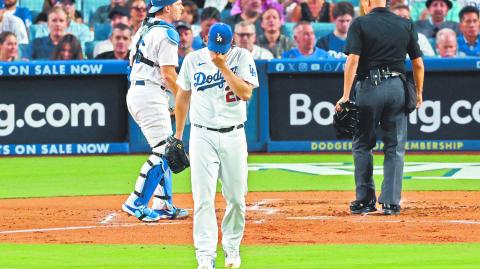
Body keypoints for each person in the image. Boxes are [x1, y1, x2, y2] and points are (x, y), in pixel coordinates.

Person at [175, 22, 258, 269]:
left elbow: (245, 93)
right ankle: (205, 256)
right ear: (205, 39)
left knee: (236, 198)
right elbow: (182, 97)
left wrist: (223, 67)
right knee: (202, 199)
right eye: (213, 46)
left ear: (231, 42)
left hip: (234, 134)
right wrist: (178, 135)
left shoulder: (242, 57)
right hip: (202, 135)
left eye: (221, 47)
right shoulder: (193, 60)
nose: (216, 51)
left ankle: (232, 249)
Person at [335, 0, 424, 215]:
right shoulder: (406, 24)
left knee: (363, 144)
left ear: (366, 3)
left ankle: (365, 200)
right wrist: (419, 92)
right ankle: (391, 202)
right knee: (395, 146)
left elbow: (352, 60)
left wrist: (345, 96)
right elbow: (418, 63)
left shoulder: (360, 23)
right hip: (397, 88)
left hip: (369, 87)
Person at [122, 0, 188, 222]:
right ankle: (136, 202)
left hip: (142, 90)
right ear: (167, 7)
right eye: (178, 3)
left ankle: (163, 203)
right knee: (163, 151)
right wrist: (183, 97)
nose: (182, 7)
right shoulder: (168, 33)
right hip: (149, 93)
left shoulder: (145, 27)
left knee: (167, 147)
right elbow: (169, 74)